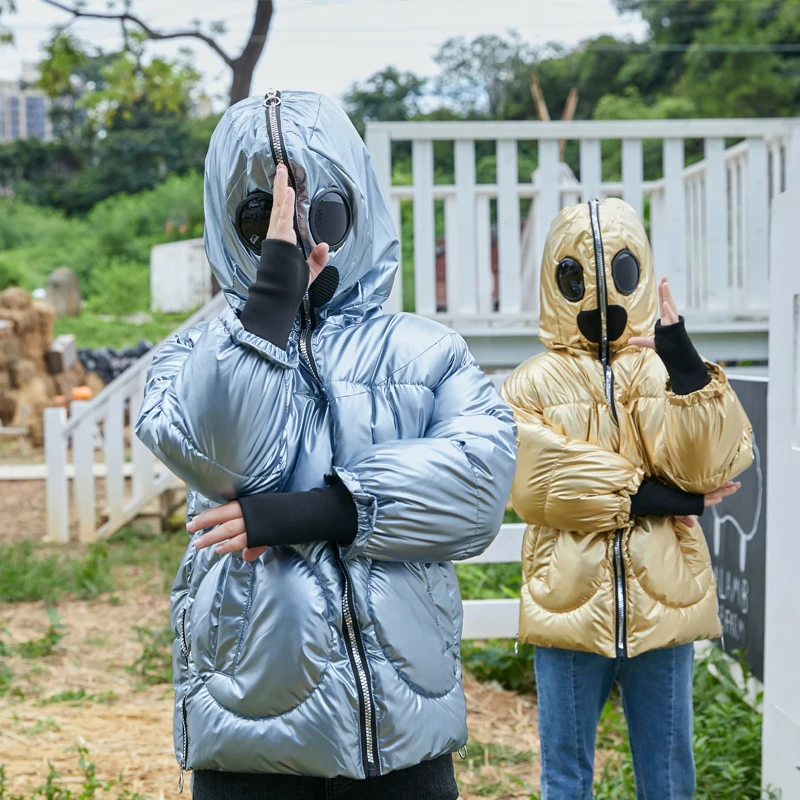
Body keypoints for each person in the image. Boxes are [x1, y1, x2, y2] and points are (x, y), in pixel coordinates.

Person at [135, 89, 517, 800]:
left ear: (359, 208)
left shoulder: (425, 349)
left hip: (402, 733)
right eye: (263, 219)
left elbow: (478, 486)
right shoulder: (190, 360)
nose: (303, 236)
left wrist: (307, 514)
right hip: (250, 739)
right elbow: (224, 459)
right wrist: (269, 302)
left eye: (325, 213)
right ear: (230, 224)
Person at [501, 198, 753, 800]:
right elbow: (537, 484)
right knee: (565, 780)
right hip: (567, 606)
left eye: (620, 274)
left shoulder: (663, 373)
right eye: (575, 277)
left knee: (668, 779)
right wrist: (675, 502)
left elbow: (715, 459)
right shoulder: (530, 382)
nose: (600, 294)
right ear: (555, 281)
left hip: (662, 604)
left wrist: (686, 362)